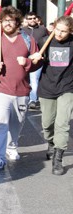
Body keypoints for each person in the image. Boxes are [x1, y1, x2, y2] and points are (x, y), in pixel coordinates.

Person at [0, 6, 39, 170]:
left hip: (21, 90)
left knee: (16, 123)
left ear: (17, 23)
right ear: (1, 22)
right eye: (5, 20)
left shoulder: (28, 40)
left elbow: (36, 62)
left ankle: (11, 147)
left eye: (11, 21)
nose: (8, 23)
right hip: (0, 89)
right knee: (0, 123)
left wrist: (27, 62)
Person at [30, 15, 73, 175]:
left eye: (64, 31)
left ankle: (58, 158)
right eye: (57, 30)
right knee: (47, 123)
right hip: (47, 87)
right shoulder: (44, 42)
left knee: (62, 124)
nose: (60, 34)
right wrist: (35, 59)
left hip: (67, 87)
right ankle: (50, 142)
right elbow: (33, 64)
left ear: (70, 31)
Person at [21, 12, 48, 110]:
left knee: (34, 79)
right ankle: (25, 97)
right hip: (25, 58)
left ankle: (33, 99)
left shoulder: (43, 29)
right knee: (24, 78)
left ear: (37, 19)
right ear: (26, 20)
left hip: (38, 58)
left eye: (34, 18)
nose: (32, 20)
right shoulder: (22, 30)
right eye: (30, 18)